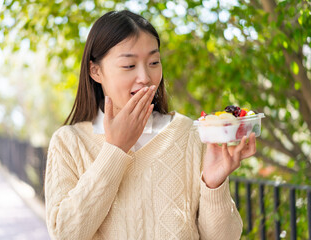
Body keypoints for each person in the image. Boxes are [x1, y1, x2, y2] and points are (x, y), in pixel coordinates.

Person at [45, 10, 256, 240]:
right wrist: (115, 150)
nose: (145, 77)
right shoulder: (68, 142)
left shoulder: (189, 134)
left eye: (154, 62)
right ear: (95, 71)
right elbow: (65, 234)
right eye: (128, 65)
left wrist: (214, 186)